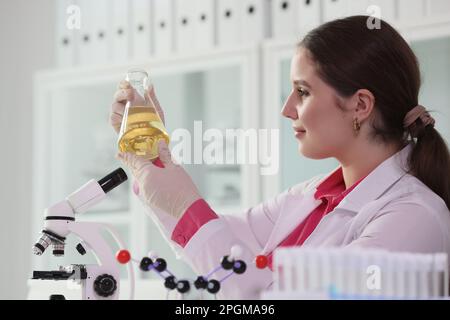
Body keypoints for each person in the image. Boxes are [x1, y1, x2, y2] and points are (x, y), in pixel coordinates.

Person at [110, 16, 450, 299]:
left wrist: (184, 201)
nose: (287, 109)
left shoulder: (412, 216)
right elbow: (222, 244)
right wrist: (153, 162)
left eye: (303, 92)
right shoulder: (310, 197)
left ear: (360, 105)